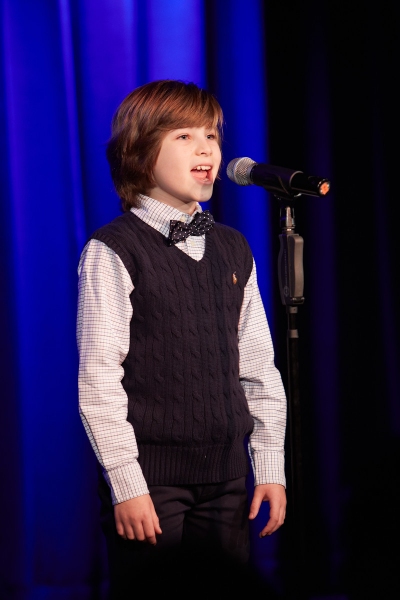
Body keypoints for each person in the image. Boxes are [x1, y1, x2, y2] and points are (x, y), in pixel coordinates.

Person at [77, 79, 287, 598]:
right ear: (141, 152)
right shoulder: (115, 249)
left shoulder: (234, 248)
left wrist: (269, 466)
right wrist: (127, 485)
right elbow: (99, 377)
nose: (206, 150)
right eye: (184, 136)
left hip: (225, 478)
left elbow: (258, 366)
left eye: (212, 136)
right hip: (152, 482)